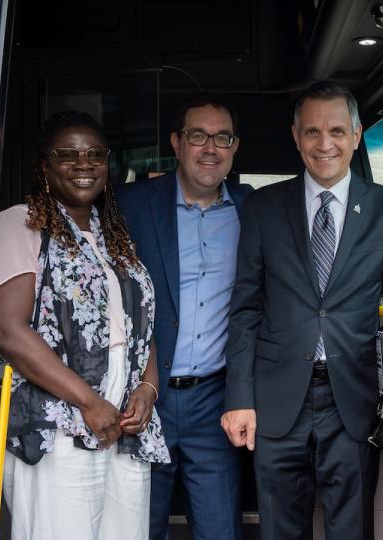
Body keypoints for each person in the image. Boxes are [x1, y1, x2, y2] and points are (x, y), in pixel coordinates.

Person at [222, 82, 383, 540]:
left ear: (356, 135)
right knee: (279, 530)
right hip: (276, 401)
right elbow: (245, 309)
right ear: (295, 137)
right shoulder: (263, 206)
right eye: (312, 131)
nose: (324, 143)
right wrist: (240, 397)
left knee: (350, 529)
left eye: (337, 130)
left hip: (352, 398)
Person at [0, 111, 169, 540]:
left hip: (125, 419)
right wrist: (89, 403)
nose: (83, 163)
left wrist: (148, 389)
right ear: (44, 165)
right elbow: (11, 333)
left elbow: (138, 327)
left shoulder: (114, 236)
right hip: (59, 415)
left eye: (94, 154)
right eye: (67, 154)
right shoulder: (22, 223)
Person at [117, 95, 251, 540]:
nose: (209, 148)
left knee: (219, 530)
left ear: (234, 147)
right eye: (198, 136)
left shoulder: (256, 210)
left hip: (216, 400)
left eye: (221, 138)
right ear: (177, 143)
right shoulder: (130, 205)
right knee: (140, 527)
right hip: (142, 396)